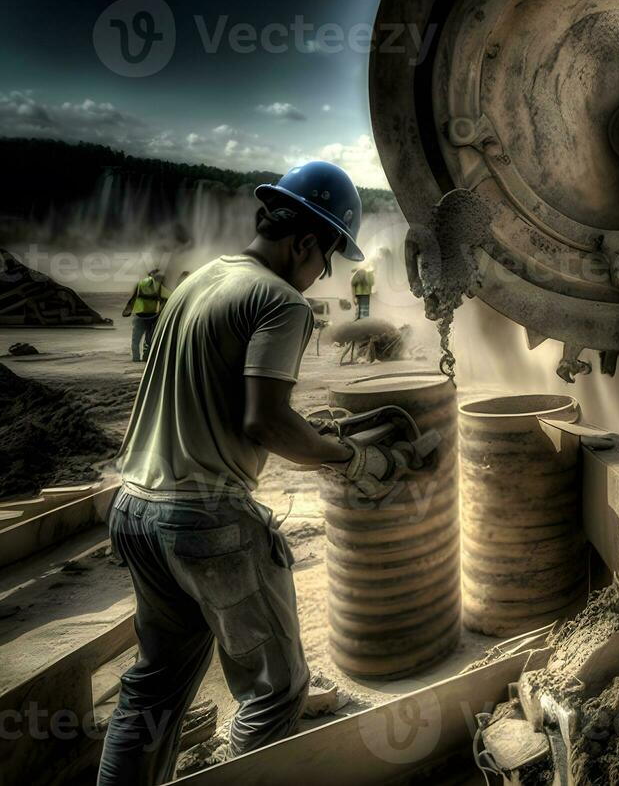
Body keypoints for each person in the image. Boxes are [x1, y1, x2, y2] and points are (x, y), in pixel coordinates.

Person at [99, 161, 415, 786]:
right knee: (277, 690)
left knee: (154, 689)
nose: (322, 275)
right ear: (303, 242)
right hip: (204, 519)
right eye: (324, 260)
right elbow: (265, 424)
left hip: (135, 510)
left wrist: (313, 425)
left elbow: (217, 396)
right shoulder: (281, 302)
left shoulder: (197, 284)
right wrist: (352, 457)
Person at [121, 268, 170, 362]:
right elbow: (169, 297)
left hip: (139, 315)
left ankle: (135, 358)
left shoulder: (140, 284)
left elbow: (133, 298)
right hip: (151, 316)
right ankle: (146, 358)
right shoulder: (159, 286)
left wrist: (127, 310)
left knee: (136, 339)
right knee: (149, 339)